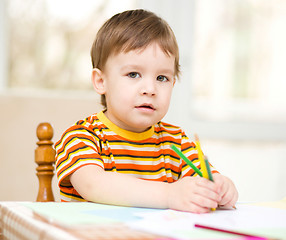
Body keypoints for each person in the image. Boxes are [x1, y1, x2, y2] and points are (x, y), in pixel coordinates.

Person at [55, 9, 238, 213]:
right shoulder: (81, 136)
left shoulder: (177, 141)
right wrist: (170, 195)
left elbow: (204, 180)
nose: (150, 89)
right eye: (133, 74)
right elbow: (93, 186)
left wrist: (220, 188)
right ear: (101, 81)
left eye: (162, 78)